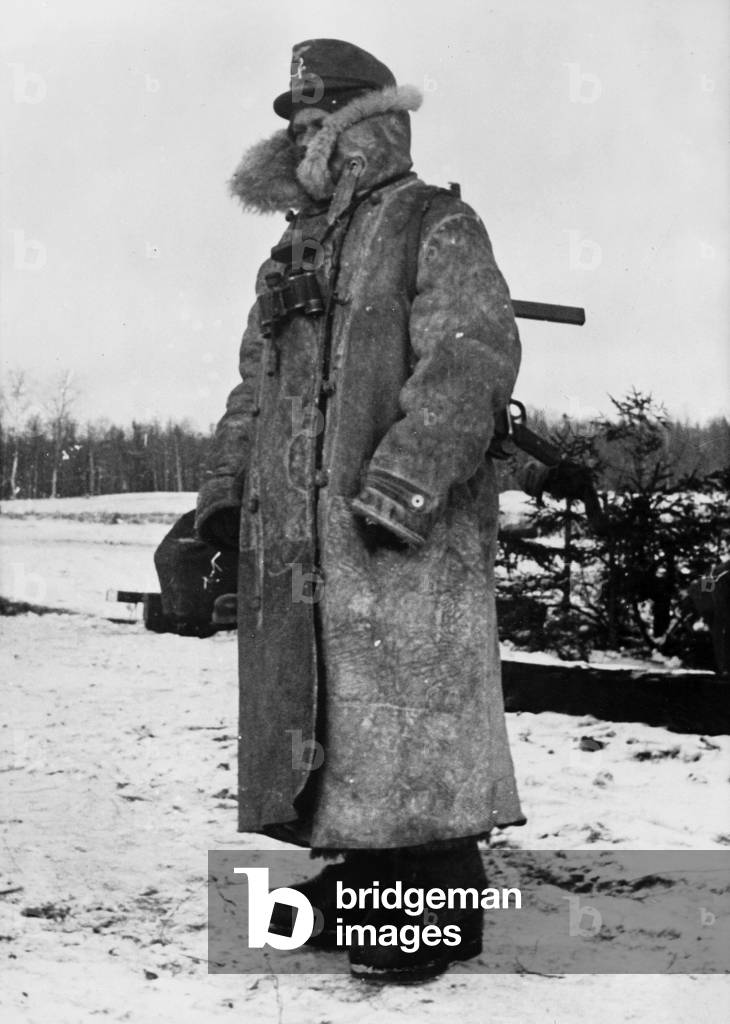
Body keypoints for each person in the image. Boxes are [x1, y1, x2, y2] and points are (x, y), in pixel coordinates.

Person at [196, 38, 525, 982]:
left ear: (362, 128)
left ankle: (433, 906)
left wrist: (403, 486)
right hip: (301, 543)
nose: (302, 141)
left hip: (403, 533)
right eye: (293, 127)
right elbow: (253, 387)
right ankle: (363, 878)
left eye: (317, 124)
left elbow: (470, 362)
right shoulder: (290, 251)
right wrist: (225, 497)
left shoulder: (435, 223)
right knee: (336, 722)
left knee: (411, 720)